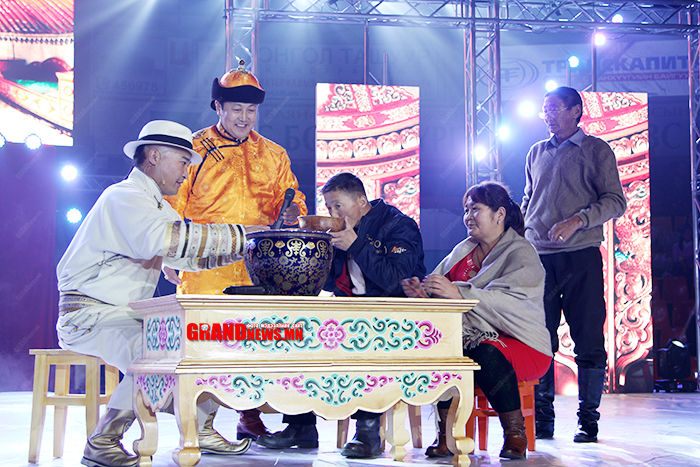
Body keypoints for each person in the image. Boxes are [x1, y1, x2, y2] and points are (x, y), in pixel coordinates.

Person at [56, 120, 265, 467]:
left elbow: (187, 256)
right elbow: (168, 240)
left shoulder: (156, 206)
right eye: (183, 162)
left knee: (202, 338)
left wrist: (246, 246)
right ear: (154, 156)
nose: (186, 173)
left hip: (121, 315)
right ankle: (102, 442)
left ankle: (200, 428)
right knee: (155, 351)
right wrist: (242, 235)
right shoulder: (124, 197)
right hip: (88, 315)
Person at [164, 60, 308, 440]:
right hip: (205, 263)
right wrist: (168, 255)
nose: (244, 118)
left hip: (256, 264)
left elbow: (293, 199)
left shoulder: (274, 154)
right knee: (206, 344)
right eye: (236, 110)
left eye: (251, 110)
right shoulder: (195, 149)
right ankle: (199, 427)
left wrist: (293, 212)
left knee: (255, 340)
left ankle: (249, 413)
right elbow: (174, 204)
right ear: (219, 108)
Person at [256, 172, 426, 458]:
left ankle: (368, 433)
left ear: (362, 201)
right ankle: (301, 426)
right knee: (300, 334)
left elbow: (397, 280)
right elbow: (329, 283)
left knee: (365, 338)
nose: (333, 214)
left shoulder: (399, 225)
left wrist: (355, 245)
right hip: (350, 313)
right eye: (329, 207)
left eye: (338, 206)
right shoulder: (341, 231)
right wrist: (316, 249)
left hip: (394, 318)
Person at [401, 181, 552, 460]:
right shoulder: (463, 250)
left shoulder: (521, 252)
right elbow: (442, 292)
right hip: (472, 340)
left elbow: (511, 302)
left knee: (486, 352)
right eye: (466, 210)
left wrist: (459, 293)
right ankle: (446, 437)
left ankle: (515, 434)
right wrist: (424, 294)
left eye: (475, 209)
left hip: (523, 343)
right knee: (443, 351)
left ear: (499, 214)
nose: (468, 216)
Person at [521, 86, 627, 443]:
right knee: (540, 338)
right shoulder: (536, 151)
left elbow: (615, 201)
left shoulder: (596, 150)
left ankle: (588, 421)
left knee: (588, 339)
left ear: (576, 111)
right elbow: (529, 200)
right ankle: (543, 420)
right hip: (539, 259)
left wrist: (578, 220)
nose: (548, 116)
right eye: (544, 109)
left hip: (581, 256)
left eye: (554, 108)